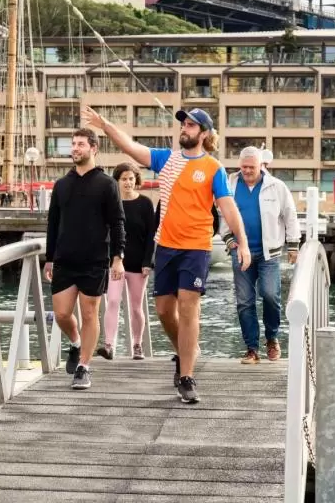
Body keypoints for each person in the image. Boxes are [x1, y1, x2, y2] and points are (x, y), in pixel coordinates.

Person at [82, 104, 250, 404]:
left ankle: (186, 376)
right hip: (167, 246)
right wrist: (104, 125)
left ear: (204, 134)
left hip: (197, 247)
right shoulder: (168, 160)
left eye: (191, 125)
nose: (184, 128)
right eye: (183, 124)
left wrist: (243, 242)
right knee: (163, 311)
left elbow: (227, 206)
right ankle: (187, 350)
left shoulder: (213, 168)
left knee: (188, 307)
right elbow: (132, 148)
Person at [44, 128, 126, 391]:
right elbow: (53, 224)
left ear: (94, 148)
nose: (75, 148)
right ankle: (76, 342)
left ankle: (84, 367)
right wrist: (49, 259)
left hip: (95, 260)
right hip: (65, 259)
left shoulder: (106, 184)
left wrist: (118, 257)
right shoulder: (62, 185)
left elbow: (117, 223)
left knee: (90, 312)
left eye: (80, 144)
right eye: (73, 144)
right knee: (61, 313)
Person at [218, 147, 301, 363]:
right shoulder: (230, 184)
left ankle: (272, 338)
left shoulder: (277, 187)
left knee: (271, 295)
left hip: (269, 253)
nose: (246, 171)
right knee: (245, 301)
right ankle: (252, 349)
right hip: (241, 252)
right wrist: (229, 240)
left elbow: (290, 215)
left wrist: (293, 245)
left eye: (251, 167)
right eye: (243, 167)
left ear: (261, 165)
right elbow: (222, 214)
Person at [97, 162, 156, 361]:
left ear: (136, 180)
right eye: (124, 179)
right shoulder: (111, 204)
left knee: (136, 307)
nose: (128, 182)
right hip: (115, 262)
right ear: (117, 181)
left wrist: (148, 261)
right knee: (112, 301)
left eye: (131, 178)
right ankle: (109, 345)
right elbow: (105, 233)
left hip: (139, 264)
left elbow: (151, 236)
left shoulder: (146, 204)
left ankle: (137, 345)